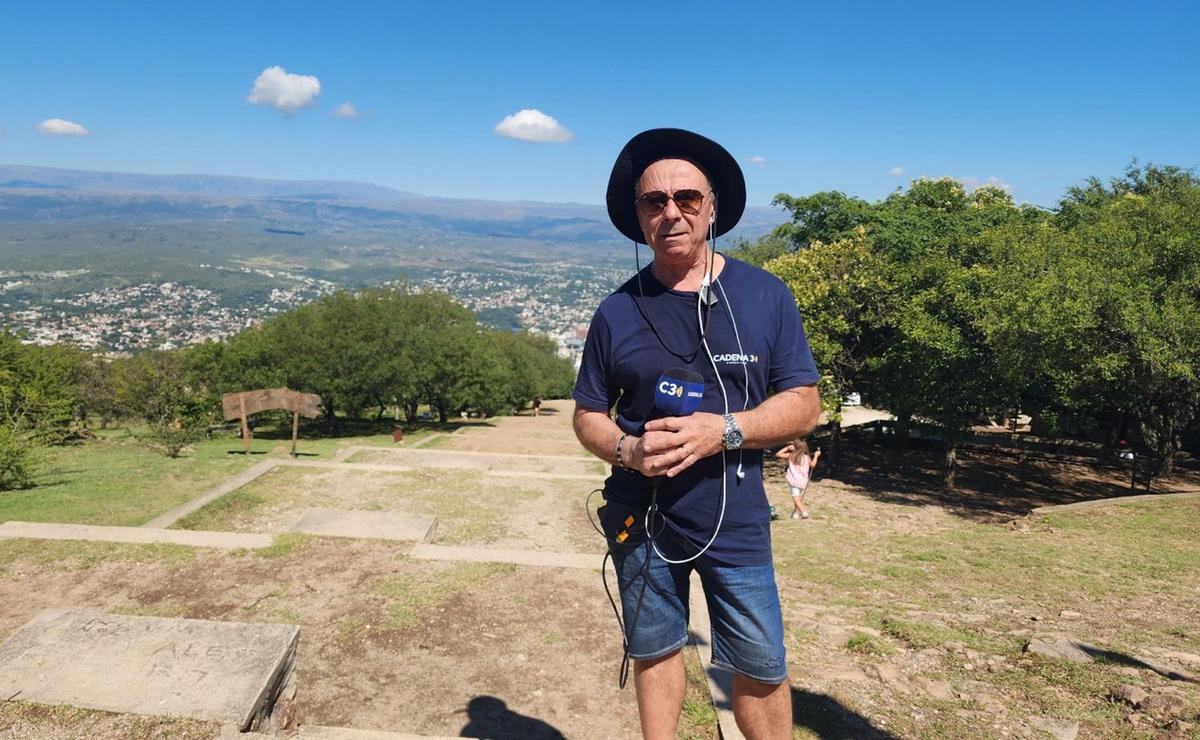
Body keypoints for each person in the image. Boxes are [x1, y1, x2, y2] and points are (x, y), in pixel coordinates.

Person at [572, 128, 821, 740]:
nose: (672, 212)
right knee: (654, 650)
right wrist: (627, 449)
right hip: (642, 515)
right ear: (638, 217)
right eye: (654, 202)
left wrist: (727, 431)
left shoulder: (765, 296)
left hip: (735, 517)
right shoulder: (616, 310)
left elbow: (804, 405)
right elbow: (587, 413)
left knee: (760, 666)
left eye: (687, 198)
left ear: (713, 208)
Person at [774, 440, 820, 519]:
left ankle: (803, 512)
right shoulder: (806, 457)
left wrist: (787, 448)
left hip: (794, 480)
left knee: (796, 498)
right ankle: (795, 514)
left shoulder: (791, 455)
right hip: (803, 481)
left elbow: (778, 454)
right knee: (798, 498)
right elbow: (812, 465)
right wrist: (816, 456)